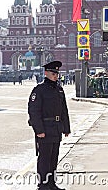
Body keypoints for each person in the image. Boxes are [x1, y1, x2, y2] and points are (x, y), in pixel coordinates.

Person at [28, 61, 71, 190]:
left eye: (57, 74)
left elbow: (64, 110)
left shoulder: (59, 89)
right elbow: (34, 111)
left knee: (53, 158)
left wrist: (66, 128)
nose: (55, 76)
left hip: (56, 128)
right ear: (46, 73)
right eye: (53, 73)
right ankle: (43, 185)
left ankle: (51, 184)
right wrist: (39, 130)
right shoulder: (39, 90)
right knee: (44, 159)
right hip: (45, 129)